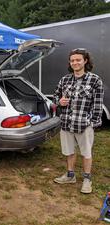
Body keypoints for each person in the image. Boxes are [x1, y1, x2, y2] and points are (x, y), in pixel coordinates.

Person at [53, 48, 104, 194]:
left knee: (86, 153)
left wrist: (92, 123)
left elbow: (98, 104)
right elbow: (55, 97)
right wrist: (59, 101)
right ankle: (70, 176)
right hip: (66, 122)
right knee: (69, 151)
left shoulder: (95, 80)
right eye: (72, 60)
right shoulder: (65, 79)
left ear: (85, 61)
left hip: (84, 124)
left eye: (78, 60)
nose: (75, 62)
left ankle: (87, 179)